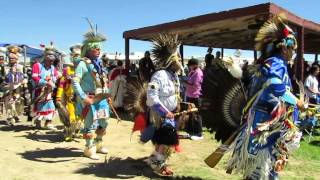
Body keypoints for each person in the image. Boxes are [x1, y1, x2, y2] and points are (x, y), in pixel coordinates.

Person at [226, 16, 305, 179]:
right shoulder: (276, 62)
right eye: (294, 49)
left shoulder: (274, 63)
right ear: (285, 48)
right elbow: (274, 84)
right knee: (262, 166)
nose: (294, 53)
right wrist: (297, 101)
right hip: (265, 124)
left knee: (266, 166)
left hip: (269, 122)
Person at [143, 34, 183, 176]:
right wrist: (164, 112)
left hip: (170, 113)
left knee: (162, 140)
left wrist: (180, 105)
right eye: (177, 59)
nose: (180, 61)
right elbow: (151, 97)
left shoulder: (174, 75)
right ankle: (159, 165)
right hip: (159, 114)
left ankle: (154, 159)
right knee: (167, 141)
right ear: (171, 61)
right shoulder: (159, 75)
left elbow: (174, 93)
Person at [73, 21, 110, 160]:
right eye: (96, 48)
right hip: (89, 99)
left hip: (101, 99)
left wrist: (107, 95)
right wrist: (83, 97)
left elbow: (103, 81)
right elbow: (75, 82)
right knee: (89, 125)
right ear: (88, 50)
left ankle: (99, 144)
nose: (98, 50)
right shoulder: (82, 64)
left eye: (99, 48)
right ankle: (89, 149)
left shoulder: (99, 64)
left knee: (104, 122)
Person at [56, 45, 82, 141]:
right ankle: (69, 133)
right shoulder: (67, 69)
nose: (77, 57)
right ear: (71, 56)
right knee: (71, 116)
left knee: (80, 117)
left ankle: (75, 131)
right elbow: (62, 84)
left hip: (82, 98)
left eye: (79, 55)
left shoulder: (84, 68)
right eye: (75, 55)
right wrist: (59, 96)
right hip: (70, 97)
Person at [31, 47, 59, 130]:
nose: (51, 62)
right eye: (50, 60)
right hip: (39, 90)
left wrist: (52, 81)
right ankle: (38, 122)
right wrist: (45, 82)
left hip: (49, 91)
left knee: (50, 106)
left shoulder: (53, 68)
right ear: (45, 58)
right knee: (39, 106)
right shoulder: (37, 65)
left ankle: (48, 122)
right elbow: (34, 77)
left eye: (52, 61)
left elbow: (55, 76)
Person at [4, 46, 26, 125]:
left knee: (17, 102)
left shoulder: (20, 67)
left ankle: (16, 115)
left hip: (17, 88)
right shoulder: (6, 67)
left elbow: (21, 78)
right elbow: (5, 78)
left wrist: (16, 73)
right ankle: (10, 118)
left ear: (17, 59)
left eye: (13, 58)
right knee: (9, 103)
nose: (11, 60)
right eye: (10, 58)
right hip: (8, 87)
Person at [183, 58, 203, 140]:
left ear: (194, 65)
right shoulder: (192, 72)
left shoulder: (198, 73)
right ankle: (191, 132)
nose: (189, 67)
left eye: (190, 65)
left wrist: (185, 84)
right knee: (191, 115)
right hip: (190, 96)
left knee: (196, 115)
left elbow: (195, 86)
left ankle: (199, 133)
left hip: (195, 96)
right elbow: (190, 82)